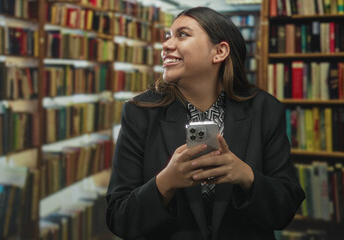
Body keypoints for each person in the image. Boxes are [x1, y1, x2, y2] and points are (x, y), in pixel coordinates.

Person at [106, 7, 305, 240]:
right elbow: (118, 219)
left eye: (182, 35)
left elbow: (284, 209)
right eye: (168, 36)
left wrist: (245, 175)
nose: (167, 45)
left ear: (219, 52)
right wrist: (165, 182)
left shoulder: (265, 110)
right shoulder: (139, 113)